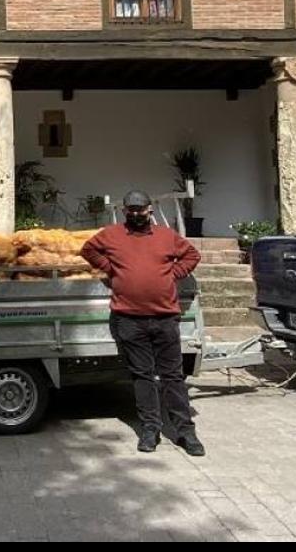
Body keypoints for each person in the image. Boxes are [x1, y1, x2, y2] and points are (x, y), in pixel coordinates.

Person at [80, 190, 205, 456]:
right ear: (125, 211)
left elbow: (192, 255)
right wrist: (110, 268)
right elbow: (88, 249)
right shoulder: (112, 234)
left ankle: (186, 432)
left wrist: (174, 273)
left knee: (172, 376)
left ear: (149, 209)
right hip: (129, 318)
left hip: (164, 317)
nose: (136, 214)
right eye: (131, 210)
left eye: (141, 209)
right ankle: (150, 429)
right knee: (142, 376)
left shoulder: (166, 235)